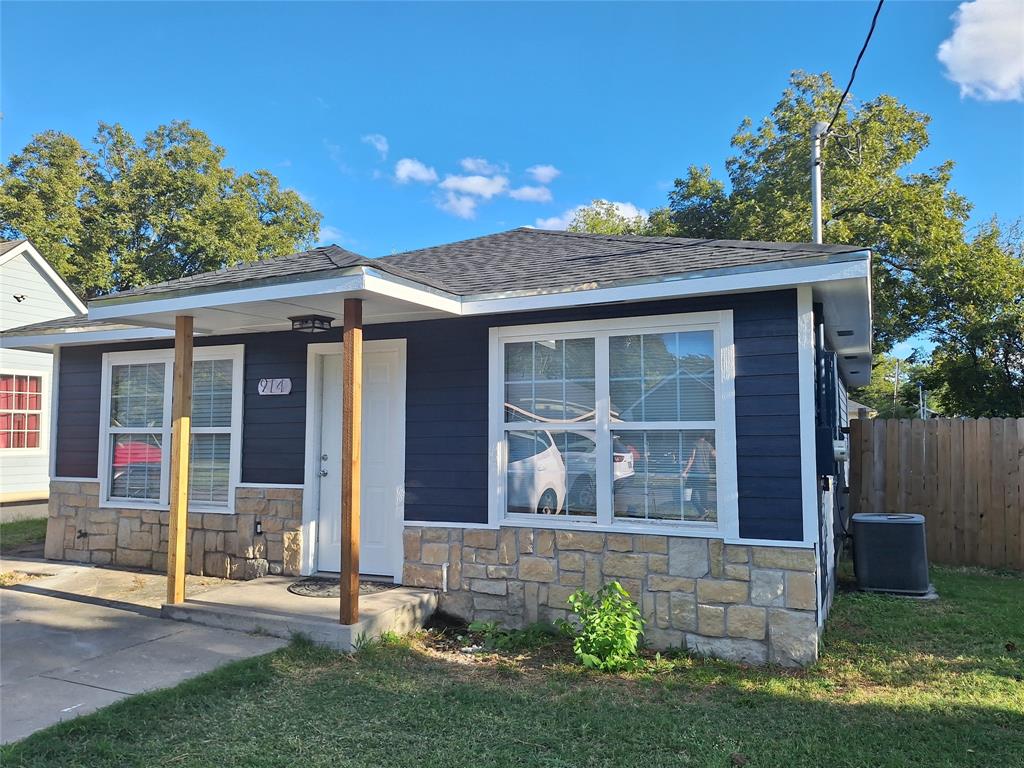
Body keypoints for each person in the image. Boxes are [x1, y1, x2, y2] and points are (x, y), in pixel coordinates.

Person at [681, 432, 716, 520]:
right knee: (703, 493)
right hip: (706, 473)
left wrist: (685, 471)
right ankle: (704, 513)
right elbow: (715, 456)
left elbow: (691, 458)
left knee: (691, 496)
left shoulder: (695, 444)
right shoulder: (709, 445)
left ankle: (703, 512)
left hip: (697, 473)